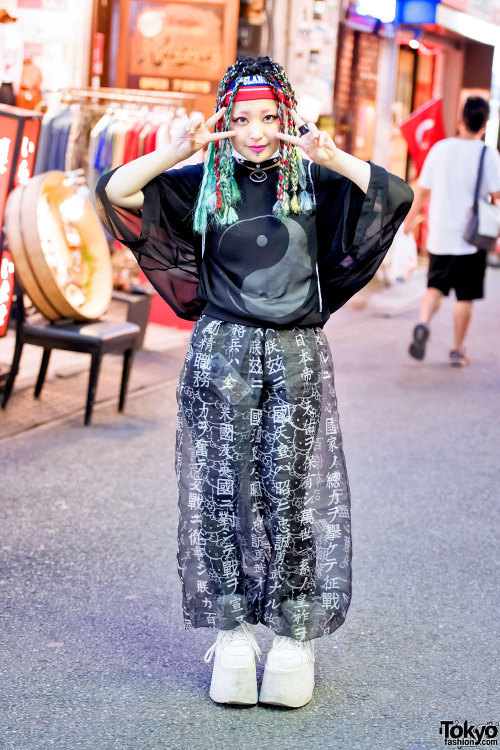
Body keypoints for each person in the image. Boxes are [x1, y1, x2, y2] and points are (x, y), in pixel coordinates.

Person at [96, 56, 413, 708]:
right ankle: (234, 639)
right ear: (225, 121)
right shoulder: (205, 186)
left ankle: (295, 642)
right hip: (221, 353)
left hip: (295, 356)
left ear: (288, 117)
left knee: (291, 497)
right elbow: (116, 193)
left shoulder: (318, 186)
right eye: (241, 118)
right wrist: (175, 149)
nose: (257, 131)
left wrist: (334, 154)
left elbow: (395, 195)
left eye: (270, 117)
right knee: (220, 494)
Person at [405, 97, 500, 367]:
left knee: (435, 288)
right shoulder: (488, 154)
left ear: (461, 119)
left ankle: (423, 322)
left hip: (440, 235)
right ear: (484, 124)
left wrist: (409, 222)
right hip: (472, 239)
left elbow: (422, 190)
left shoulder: (440, 149)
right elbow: (497, 194)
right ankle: (457, 349)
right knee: (465, 297)